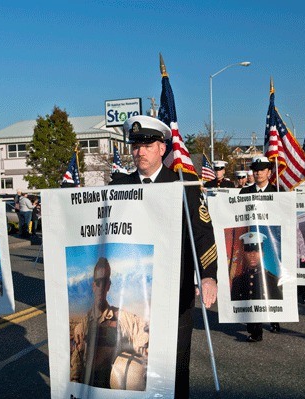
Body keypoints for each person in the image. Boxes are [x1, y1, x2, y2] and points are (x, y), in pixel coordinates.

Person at [109, 115, 218, 397]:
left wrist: (208, 277)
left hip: (175, 292)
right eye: (135, 145)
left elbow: (203, 233)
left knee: (175, 365)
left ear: (162, 148)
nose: (140, 151)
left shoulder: (184, 185)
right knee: (133, 366)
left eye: (147, 144)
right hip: (133, 295)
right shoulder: (118, 188)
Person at [70, 257, 149, 390]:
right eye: (98, 282)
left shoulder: (122, 318)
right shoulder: (83, 325)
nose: (101, 287)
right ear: (93, 285)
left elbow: (142, 331)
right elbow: (76, 366)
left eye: (104, 282)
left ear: (109, 285)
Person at [239, 156, 281, 341]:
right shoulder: (244, 192)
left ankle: (274, 318)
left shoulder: (279, 192)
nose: (257, 172)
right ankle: (255, 330)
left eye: (262, 169)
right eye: (255, 169)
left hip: (270, 242)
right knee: (254, 285)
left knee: (270, 282)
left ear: (269, 173)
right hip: (251, 241)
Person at [230, 231, 283, 301]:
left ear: (262, 254)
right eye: (248, 251)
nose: (252, 254)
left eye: (257, 250)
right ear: (244, 254)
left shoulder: (274, 281)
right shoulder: (237, 281)